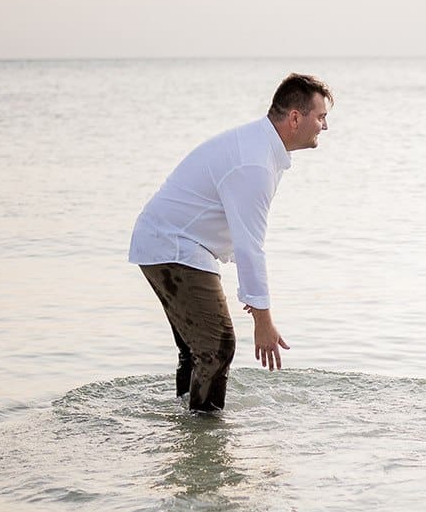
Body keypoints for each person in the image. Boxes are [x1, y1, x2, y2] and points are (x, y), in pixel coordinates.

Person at [128, 74, 333, 411]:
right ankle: (206, 444)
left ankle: (186, 429)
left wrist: (255, 304)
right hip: (173, 246)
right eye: (321, 117)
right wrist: (263, 322)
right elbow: (250, 246)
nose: (324, 127)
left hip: (169, 243)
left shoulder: (259, 148)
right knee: (218, 348)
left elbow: (243, 241)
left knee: (198, 352)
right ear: (295, 117)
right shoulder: (254, 162)